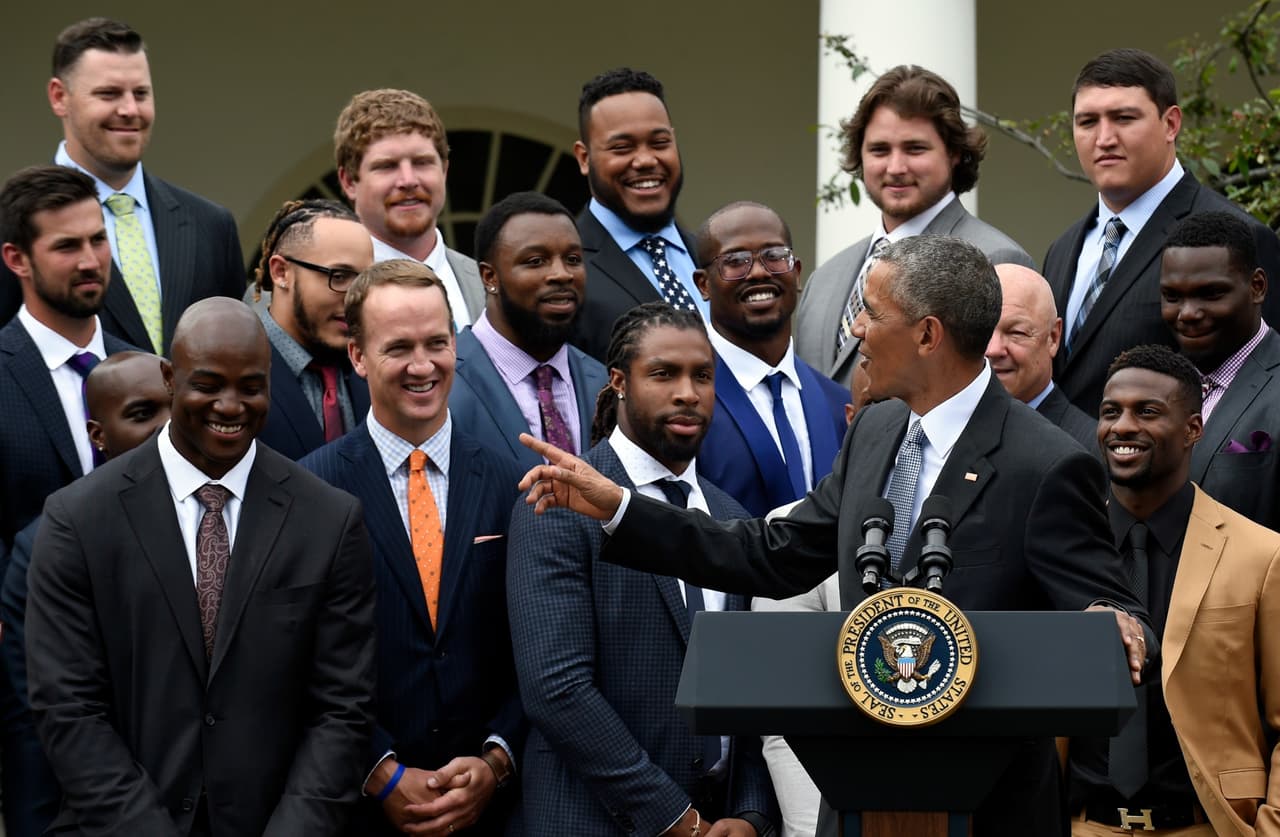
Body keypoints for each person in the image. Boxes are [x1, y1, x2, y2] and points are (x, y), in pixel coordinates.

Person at [518, 235, 1154, 836]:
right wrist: (622, 509)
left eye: (871, 313)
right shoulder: (875, 432)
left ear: (928, 335)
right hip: (858, 799)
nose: (854, 330)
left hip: (987, 809)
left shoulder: (1045, 462)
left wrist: (1114, 619)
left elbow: (1115, 609)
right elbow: (771, 554)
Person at [25, 297, 377, 835]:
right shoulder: (78, 519)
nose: (230, 405)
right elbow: (67, 708)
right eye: (208, 385)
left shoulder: (328, 519)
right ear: (170, 379)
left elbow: (342, 708)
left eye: (251, 386)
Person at [508, 301, 777, 837]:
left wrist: (749, 814)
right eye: (663, 373)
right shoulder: (558, 502)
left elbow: (751, 697)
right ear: (619, 382)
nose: (687, 392)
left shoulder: (732, 520)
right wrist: (675, 821)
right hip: (594, 821)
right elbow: (557, 690)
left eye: (702, 375)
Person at [300, 260, 523, 836]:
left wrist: (496, 760)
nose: (423, 366)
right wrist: (379, 771)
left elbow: (538, 644)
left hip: (492, 812)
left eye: (438, 343)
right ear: (357, 356)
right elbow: (291, 656)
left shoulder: (510, 482)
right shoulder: (308, 491)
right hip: (355, 812)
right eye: (399, 347)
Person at [1068, 343, 1280, 836]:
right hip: (1085, 827)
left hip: (1208, 827)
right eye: (1110, 412)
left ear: (1193, 429)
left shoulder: (1261, 556)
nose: (1122, 427)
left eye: (1147, 412)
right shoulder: (1065, 550)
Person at [1045, 48, 1280, 417]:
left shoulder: (1238, 237)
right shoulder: (1062, 249)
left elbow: (1262, 392)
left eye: (1123, 118)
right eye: (1087, 122)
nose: (1104, 138)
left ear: (1171, 124)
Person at [0, 350, 171, 837]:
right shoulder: (44, 549)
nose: (166, 429)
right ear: (99, 436)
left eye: (174, 409)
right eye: (142, 414)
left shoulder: (232, 518)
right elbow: (49, 723)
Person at [0, 18, 244, 354]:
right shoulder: (10, 224)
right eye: (109, 94)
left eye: (141, 93)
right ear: (59, 97)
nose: (130, 110)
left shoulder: (212, 226)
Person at [794, 65, 1033, 386]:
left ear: (955, 154)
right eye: (880, 150)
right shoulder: (824, 278)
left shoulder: (994, 261)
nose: (895, 167)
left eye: (914, 149)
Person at [0, 164, 133, 556]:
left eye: (98, 240)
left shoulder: (149, 370)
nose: (90, 261)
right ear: (17, 259)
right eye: (67, 246)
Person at [692, 201, 848, 517]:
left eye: (775, 256)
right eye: (736, 261)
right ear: (703, 284)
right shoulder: (684, 401)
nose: (760, 272)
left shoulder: (839, 404)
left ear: (797, 272)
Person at [450, 191, 608, 468]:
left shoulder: (604, 382)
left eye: (572, 259)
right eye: (536, 261)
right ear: (490, 277)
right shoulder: (443, 380)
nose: (562, 274)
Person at [1159, 210, 1280, 532]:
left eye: (1210, 294)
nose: (1187, 314)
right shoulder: (1157, 388)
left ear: (1256, 287)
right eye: (1173, 296)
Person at [570, 68, 701, 362]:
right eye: (622, 148)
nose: (645, 160)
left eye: (659, 143)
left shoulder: (713, 258)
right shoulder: (566, 272)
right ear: (584, 158)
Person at [334, 88, 484, 330]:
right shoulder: (322, 291)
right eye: (387, 166)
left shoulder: (487, 286)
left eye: (422, 162)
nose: (408, 180)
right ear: (349, 181)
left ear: (444, 171)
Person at [251, 199, 374, 460]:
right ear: (281, 272)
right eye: (339, 276)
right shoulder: (237, 370)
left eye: (365, 280)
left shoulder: (373, 370)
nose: (356, 298)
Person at [986, 262, 1098, 452]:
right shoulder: (945, 429)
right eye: (984, 330)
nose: (993, 349)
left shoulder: (1087, 451)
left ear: (1053, 337)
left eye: (1017, 332)